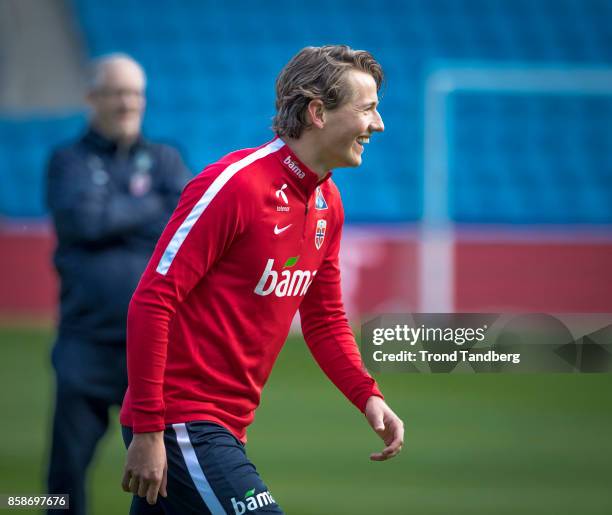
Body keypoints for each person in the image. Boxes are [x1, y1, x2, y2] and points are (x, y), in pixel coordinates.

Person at [120, 45, 404, 515]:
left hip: (222, 427)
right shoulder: (235, 186)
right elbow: (153, 300)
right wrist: (150, 429)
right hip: (182, 420)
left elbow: (326, 318)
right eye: (368, 110)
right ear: (317, 112)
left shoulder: (327, 202)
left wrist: (366, 394)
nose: (378, 125)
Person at [45, 53, 191, 515]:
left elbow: (184, 220)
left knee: (162, 471)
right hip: (85, 343)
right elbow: (83, 222)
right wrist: (149, 209)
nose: (128, 102)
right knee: (62, 477)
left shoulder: (166, 158)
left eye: (135, 93)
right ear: (92, 97)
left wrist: (114, 213)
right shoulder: (67, 161)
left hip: (150, 349)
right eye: (117, 92)